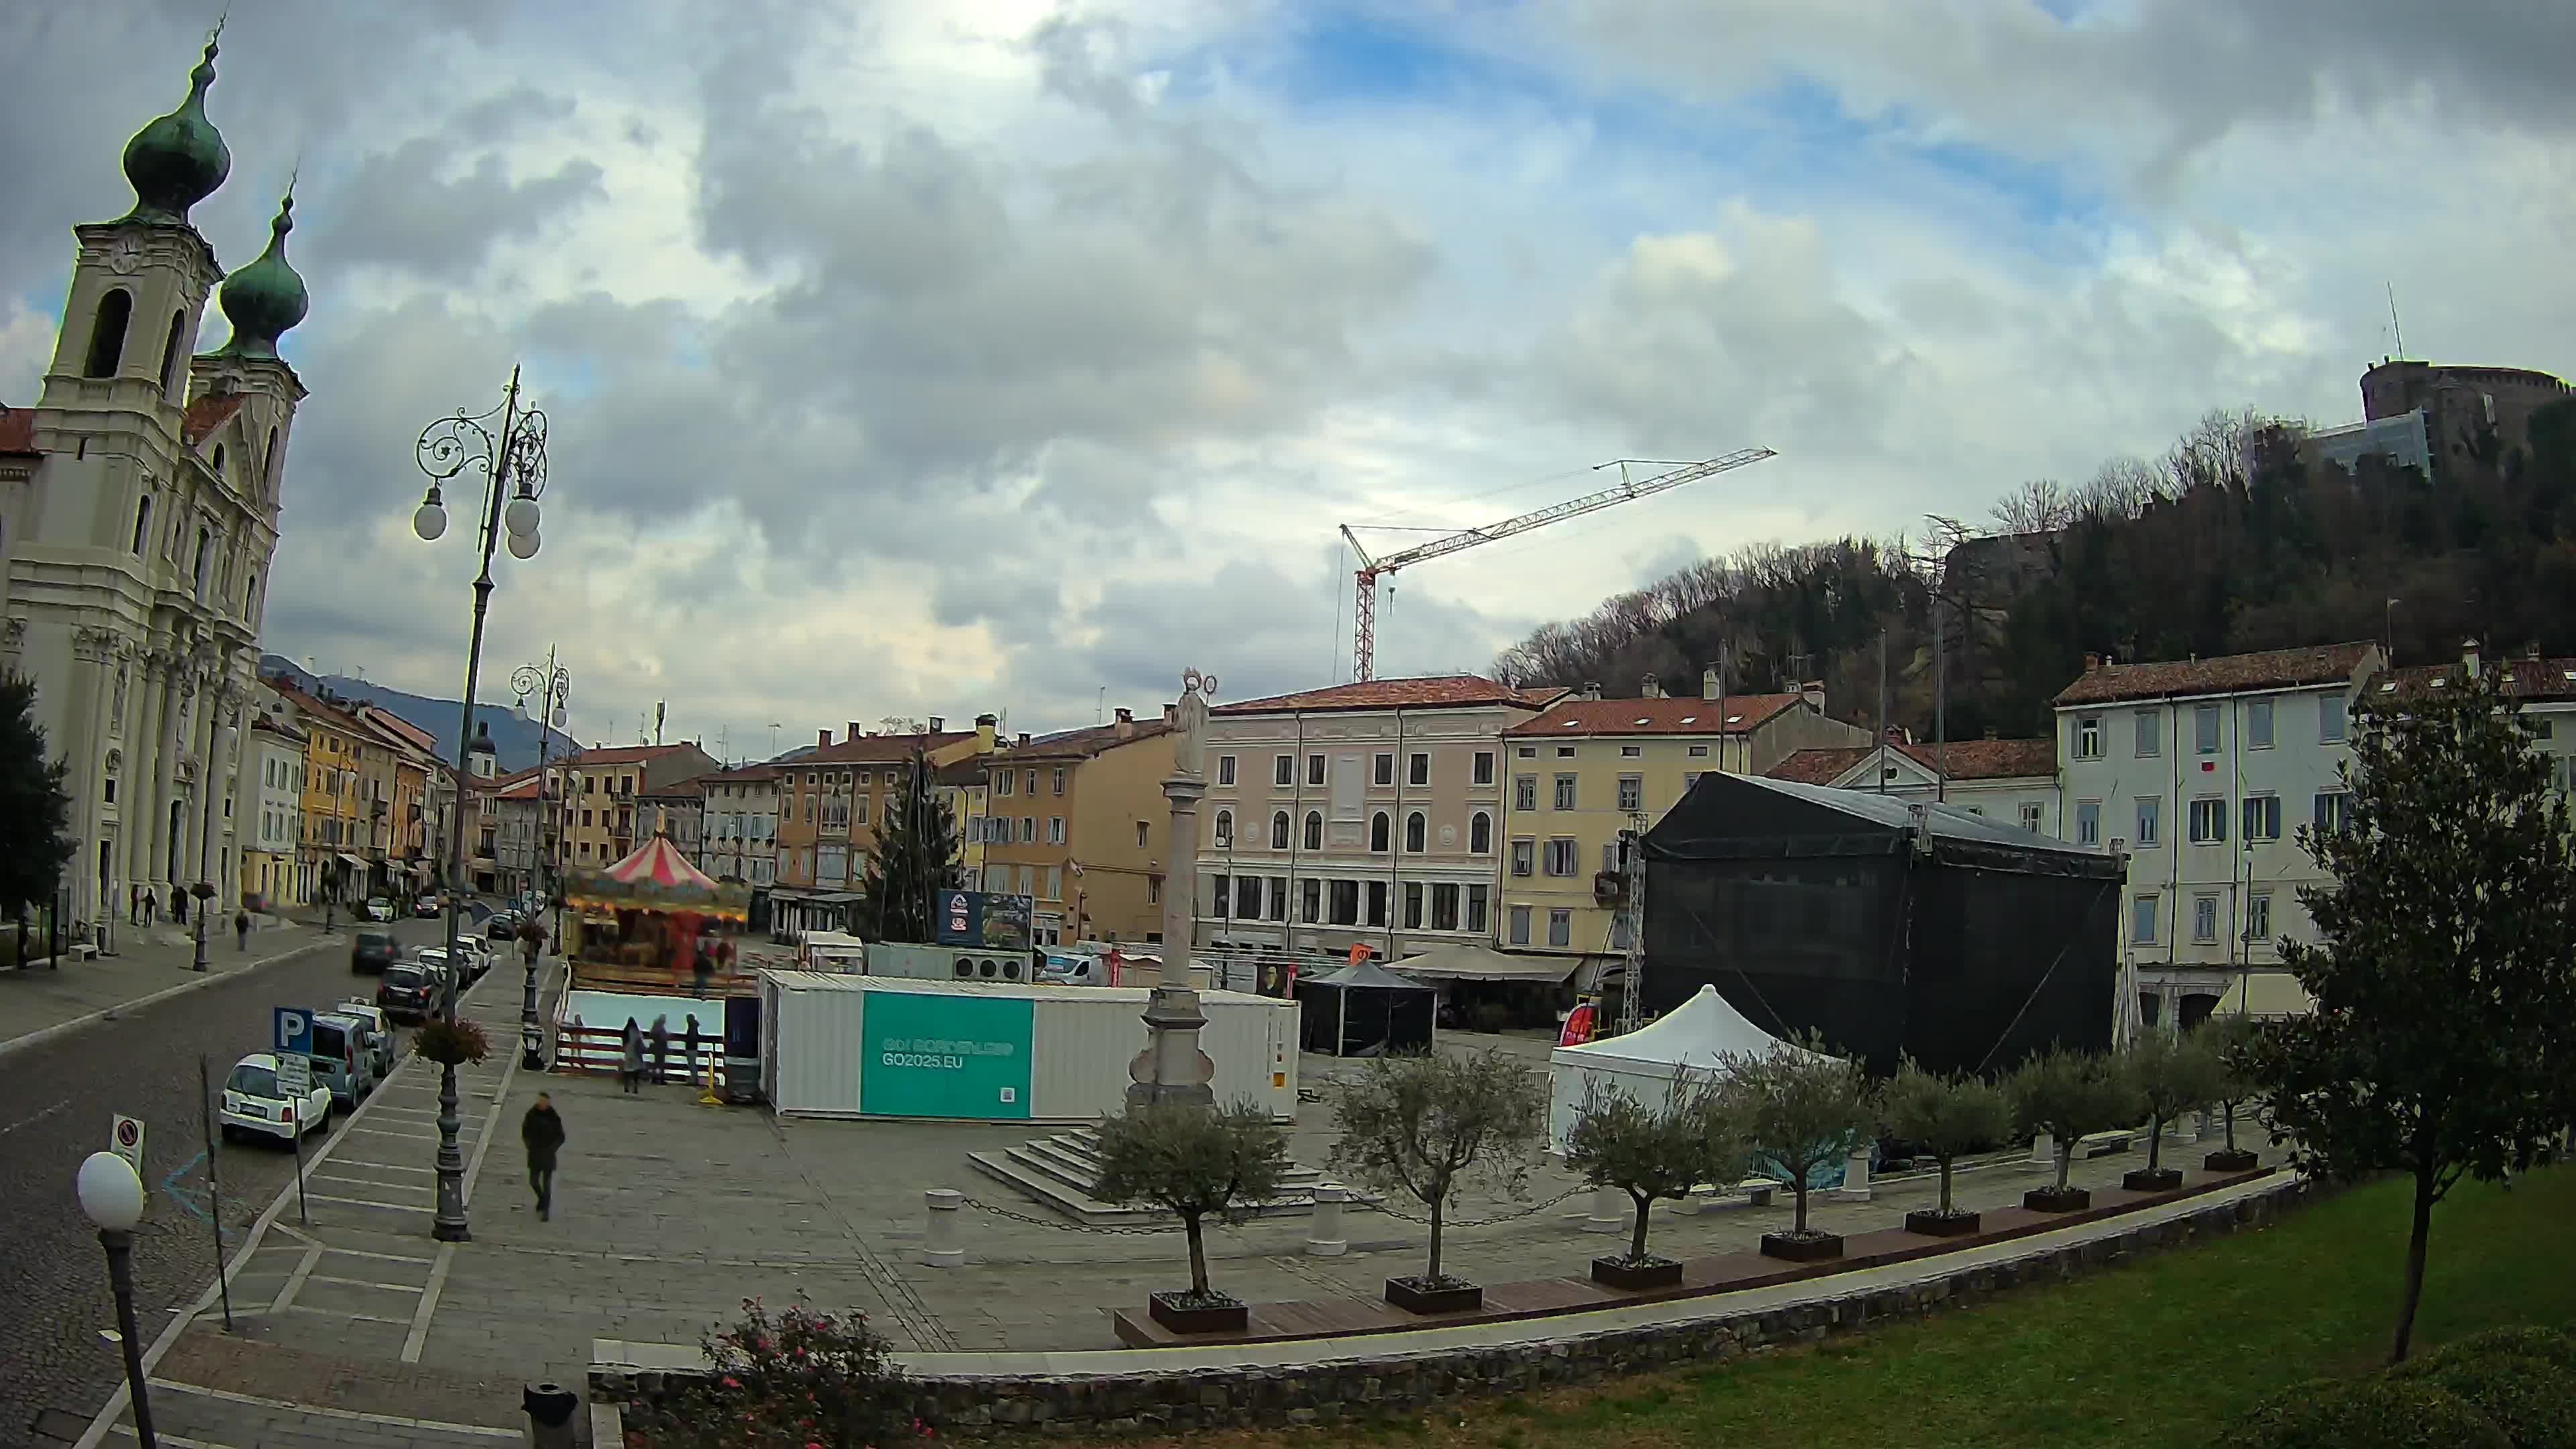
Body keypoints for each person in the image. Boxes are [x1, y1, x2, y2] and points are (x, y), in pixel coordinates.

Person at [521, 1092, 566, 1221]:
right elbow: (525, 1132)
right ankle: (542, 1200)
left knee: (547, 1184)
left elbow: (561, 1136)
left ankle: (546, 1211)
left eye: (544, 1102)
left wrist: (552, 1149)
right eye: (540, 1101)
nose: (542, 1104)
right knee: (533, 1182)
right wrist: (529, 1145)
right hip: (535, 1154)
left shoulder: (553, 1117)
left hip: (548, 1155)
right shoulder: (531, 1115)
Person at [619, 1018, 644, 1094]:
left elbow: (623, 1042)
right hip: (635, 1054)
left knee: (627, 1071)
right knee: (636, 1071)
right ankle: (635, 1087)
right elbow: (640, 1041)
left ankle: (626, 1086)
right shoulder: (636, 1032)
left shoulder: (625, 1031)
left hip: (628, 1053)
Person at [648, 1015, 670, 1085]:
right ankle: (661, 1079)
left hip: (657, 1047)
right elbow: (663, 1037)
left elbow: (652, 1035)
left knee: (656, 1064)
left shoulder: (655, 1026)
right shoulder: (660, 1027)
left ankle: (654, 1079)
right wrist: (667, 1036)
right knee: (661, 1065)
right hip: (661, 1047)